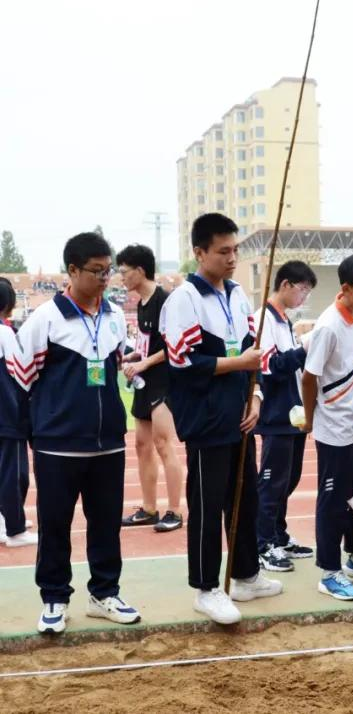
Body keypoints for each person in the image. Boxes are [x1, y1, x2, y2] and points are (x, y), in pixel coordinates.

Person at [15, 232, 140, 633]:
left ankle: (104, 592)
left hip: (107, 444)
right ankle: (54, 597)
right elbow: (23, 379)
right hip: (58, 447)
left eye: (109, 271)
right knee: (55, 526)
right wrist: (46, 423)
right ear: (72, 270)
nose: (106, 279)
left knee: (106, 525)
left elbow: (117, 364)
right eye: (97, 271)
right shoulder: (45, 319)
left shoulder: (116, 317)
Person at [162, 214, 282, 624]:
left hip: (240, 417)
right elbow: (183, 363)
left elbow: (254, 354)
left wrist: (258, 396)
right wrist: (238, 363)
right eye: (223, 251)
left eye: (235, 251)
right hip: (206, 420)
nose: (232, 259)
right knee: (206, 504)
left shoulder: (237, 294)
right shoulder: (184, 300)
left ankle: (246, 574)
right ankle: (206, 587)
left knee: (243, 498)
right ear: (199, 252)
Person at [301, 254, 353, 603]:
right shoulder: (328, 326)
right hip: (332, 428)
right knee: (333, 501)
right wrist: (309, 418)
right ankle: (329, 572)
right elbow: (309, 377)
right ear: (346, 289)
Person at [254, 260, 317, 572]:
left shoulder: (284, 321)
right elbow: (269, 367)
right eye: (303, 290)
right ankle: (262, 544)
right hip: (275, 415)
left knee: (288, 480)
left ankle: (278, 535)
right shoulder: (263, 319)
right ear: (286, 285)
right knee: (271, 482)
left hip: (292, 413)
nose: (304, 297)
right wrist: (304, 349)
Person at [116, 244, 184, 533]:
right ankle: (149, 508)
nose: (121, 278)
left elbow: (174, 347)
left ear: (140, 271)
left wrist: (144, 364)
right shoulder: (141, 303)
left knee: (163, 443)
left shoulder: (165, 301)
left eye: (124, 272)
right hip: (145, 382)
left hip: (164, 381)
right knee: (142, 445)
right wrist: (133, 356)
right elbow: (149, 343)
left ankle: (175, 510)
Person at [0, 278, 33, 548]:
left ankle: (6, 519)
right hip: (8, 413)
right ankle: (15, 529)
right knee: (15, 473)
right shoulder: (5, 333)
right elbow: (20, 373)